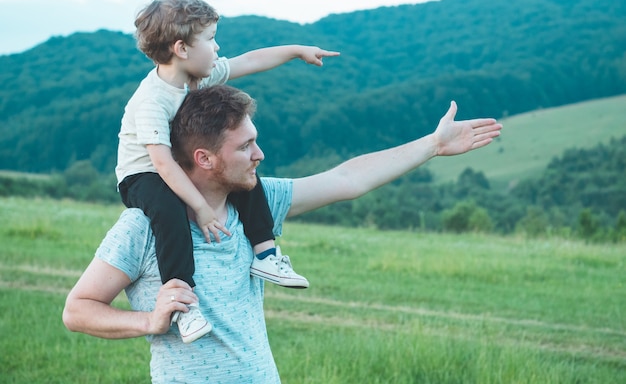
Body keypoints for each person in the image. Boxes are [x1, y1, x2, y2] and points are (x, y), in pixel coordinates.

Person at [64, 84, 502, 383]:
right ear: (205, 158)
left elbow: (347, 179)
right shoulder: (144, 226)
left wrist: (431, 145)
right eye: (245, 146)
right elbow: (78, 309)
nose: (260, 154)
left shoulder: (257, 203)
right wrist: (148, 322)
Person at [115, 0, 340, 343]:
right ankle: (183, 304)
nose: (218, 47)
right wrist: (202, 209)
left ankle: (265, 254)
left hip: (182, 165)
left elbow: (249, 60)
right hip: (142, 175)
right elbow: (162, 164)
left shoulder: (200, 76)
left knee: (243, 178)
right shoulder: (152, 100)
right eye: (210, 39)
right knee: (169, 209)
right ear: (181, 49)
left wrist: (297, 50)